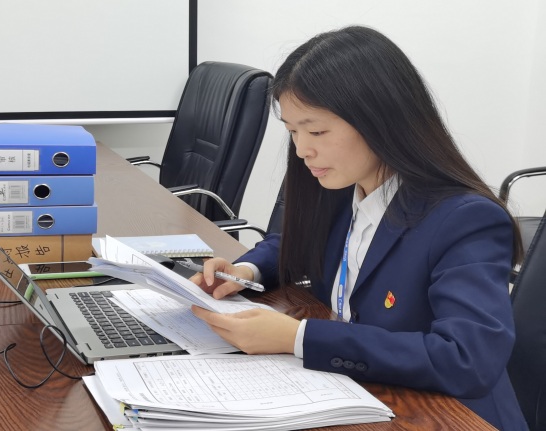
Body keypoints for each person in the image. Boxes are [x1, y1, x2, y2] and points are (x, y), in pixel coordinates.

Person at [190, 26, 528, 430]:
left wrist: (298, 337)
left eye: (316, 131)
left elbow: (467, 360)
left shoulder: (464, 219)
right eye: (293, 131)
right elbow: (292, 243)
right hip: (359, 393)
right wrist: (245, 270)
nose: (302, 149)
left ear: (379, 120)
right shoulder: (342, 186)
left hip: (448, 415)